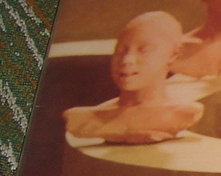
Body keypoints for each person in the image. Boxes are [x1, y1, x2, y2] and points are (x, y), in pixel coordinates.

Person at [63, 11, 204, 144]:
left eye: (143, 50)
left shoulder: (184, 113)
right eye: (121, 50)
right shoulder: (81, 118)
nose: (126, 60)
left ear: (173, 55)